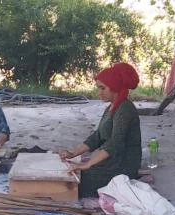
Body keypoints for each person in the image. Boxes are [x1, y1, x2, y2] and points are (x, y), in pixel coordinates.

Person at [59, 62, 142, 198]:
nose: (100, 93)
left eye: (103, 88)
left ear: (114, 88)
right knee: (74, 171)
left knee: (78, 182)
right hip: (112, 160)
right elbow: (97, 136)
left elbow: (115, 143)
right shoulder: (111, 108)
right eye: (98, 88)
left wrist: (88, 164)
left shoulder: (125, 109)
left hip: (123, 165)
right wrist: (73, 153)